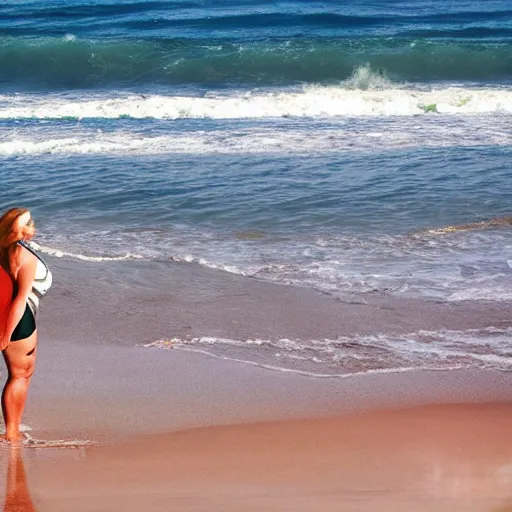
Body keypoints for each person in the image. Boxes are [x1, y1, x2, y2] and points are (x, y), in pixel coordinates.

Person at [0, 208, 39, 443]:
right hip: (17, 323)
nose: (33, 226)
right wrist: (6, 334)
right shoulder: (25, 258)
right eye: (28, 223)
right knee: (21, 374)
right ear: (16, 231)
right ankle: (12, 432)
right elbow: (20, 300)